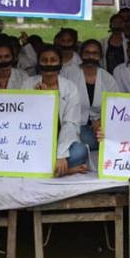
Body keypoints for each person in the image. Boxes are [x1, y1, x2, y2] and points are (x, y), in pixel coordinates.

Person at [23, 46, 88, 177]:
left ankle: (49, 168)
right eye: (44, 60)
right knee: (20, 152)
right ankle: (65, 171)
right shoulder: (28, 84)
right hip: (33, 140)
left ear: (60, 63)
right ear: (39, 63)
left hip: (61, 137)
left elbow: (70, 123)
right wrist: (39, 100)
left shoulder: (70, 88)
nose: (48, 64)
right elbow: (23, 121)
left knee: (79, 151)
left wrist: (61, 155)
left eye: (53, 60)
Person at [63, 40, 120, 155]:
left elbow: (115, 106)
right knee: (85, 144)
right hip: (75, 124)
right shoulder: (68, 73)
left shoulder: (107, 78)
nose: (90, 56)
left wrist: (101, 121)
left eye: (95, 53)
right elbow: (62, 102)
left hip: (100, 126)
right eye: (87, 52)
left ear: (100, 56)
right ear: (81, 54)